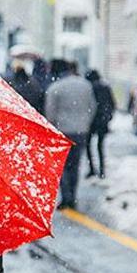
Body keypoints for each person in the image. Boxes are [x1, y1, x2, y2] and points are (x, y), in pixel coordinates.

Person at [45, 60, 96, 210]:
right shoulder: (86, 85)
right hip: (81, 130)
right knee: (75, 164)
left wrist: (53, 128)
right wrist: (85, 123)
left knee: (62, 166)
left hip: (63, 131)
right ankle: (72, 196)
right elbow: (92, 107)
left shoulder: (55, 88)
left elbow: (50, 113)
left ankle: (66, 196)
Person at [84, 70, 115, 179]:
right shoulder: (105, 87)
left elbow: (87, 104)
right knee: (100, 146)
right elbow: (112, 103)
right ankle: (102, 170)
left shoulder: (89, 88)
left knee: (88, 145)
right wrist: (108, 116)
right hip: (102, 120)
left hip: (91, 120)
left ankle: (92, 168)